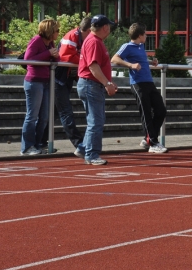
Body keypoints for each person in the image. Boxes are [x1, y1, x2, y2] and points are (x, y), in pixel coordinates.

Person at [111, 23, 168, 153]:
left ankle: (147, 138)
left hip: (149, 82)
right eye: (145, 34)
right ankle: (153, 143)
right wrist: (130, 65)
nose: (147, 36)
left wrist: (150, 62)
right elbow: (114, 58)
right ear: (140, 35)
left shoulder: (141, 46)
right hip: (138, 83)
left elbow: (140, 61)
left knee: (161, 110)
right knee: (146, 113)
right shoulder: (127, 46)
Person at [77, 14, 118, 166]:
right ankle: (91, 154)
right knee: (96, 121)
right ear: (105, 27)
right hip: (91, 84)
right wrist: (107, 83)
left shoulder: (92, 40)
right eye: (109, 27)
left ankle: (83, 148)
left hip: (90, 84)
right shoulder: (94, 42)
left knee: (94, 120)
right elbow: (93, 67)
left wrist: (108, 83)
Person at [20, 19, 60, 155]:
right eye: (56, 31)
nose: (58, 33)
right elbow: (28, 59)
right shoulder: (36, 40)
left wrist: (55, 56)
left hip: (46, 81)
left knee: (44, 117)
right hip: (34, 81)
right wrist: (49, 54)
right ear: (49, 31)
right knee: (32, 116)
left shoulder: (51, 43)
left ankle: (37, 145)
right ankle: (26, 147)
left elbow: (56, 60)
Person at [54, 17, 91, 158]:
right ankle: (79, 144)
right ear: (88, 30)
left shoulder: (82, 38)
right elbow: (65, 56)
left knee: (55, 112)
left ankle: (39, 141)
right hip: (59, 78)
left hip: (67, 78)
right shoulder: (72, 36)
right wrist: (85, 60)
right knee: (65, 112)